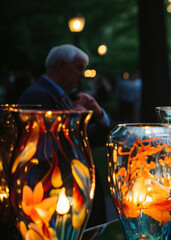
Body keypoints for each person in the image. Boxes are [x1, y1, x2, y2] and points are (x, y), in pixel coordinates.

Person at [17, 44, 112, 227]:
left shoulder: (63, 96)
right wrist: (76, 120)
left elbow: (94, 137)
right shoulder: (37, 96)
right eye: (79, 68)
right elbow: (47, 148)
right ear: (61, 66)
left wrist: (98, 113)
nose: (83, 75)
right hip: (54, 196)